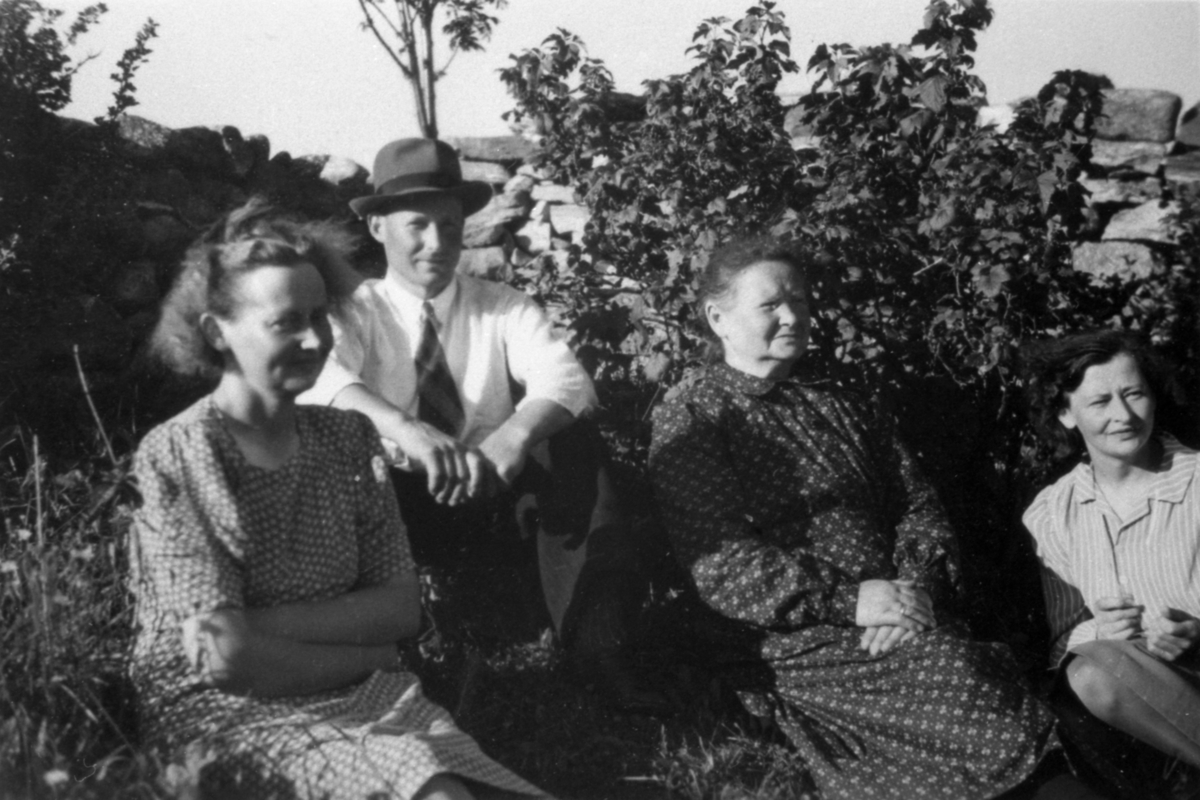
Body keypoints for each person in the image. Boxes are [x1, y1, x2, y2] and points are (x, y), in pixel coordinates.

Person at [649, 236, 1098, 799]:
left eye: (802, 302)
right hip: (794, 637)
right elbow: (723, 564)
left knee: (959, 667)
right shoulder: (696, 417)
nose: (793, 316)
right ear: (719, 317)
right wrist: (851, 600)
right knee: (952, 673)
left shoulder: (843, 400)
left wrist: (914, 587)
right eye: (771, 305)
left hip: (900, 609)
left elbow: (917, 504)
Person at [133, 198, 548, 800]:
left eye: (320, 317)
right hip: (225, 707)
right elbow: (221, 656)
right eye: (285, 323)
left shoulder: (348, 437)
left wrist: (267, 630)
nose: (313, 339)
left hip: (368, 694)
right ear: (215, 332)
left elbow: (401, 611)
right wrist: (370, 653)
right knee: (434, 791)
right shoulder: (185, 450)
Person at [297, 138, 647, 699]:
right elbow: (321, 379)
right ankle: (369, 656)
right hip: (397, 506)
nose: (437, 244)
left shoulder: (502, 304)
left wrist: (513, 437)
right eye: (417, 225)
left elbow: (567, 378)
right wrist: (408, 431)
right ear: (378, 228)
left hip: (494, 491)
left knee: (570, 441)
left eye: (450, 225)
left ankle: (596, 645)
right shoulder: (357, 310)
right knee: (329, 442)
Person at [1022, 329, 1200, 775]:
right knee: (1090, 674)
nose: (1123, 415)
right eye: (1100, 402)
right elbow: (1063, 640)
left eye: (1134, 394)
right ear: (1065, 412)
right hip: (1140, 703)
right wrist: (1100, 631)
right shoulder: (1052, 513)